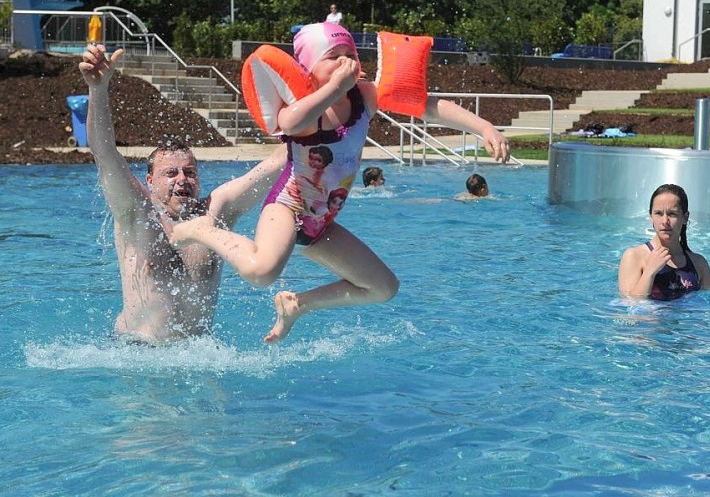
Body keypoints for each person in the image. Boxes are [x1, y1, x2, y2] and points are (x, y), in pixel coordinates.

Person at [171, 22, 511, 342]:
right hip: (288, 207)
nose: (345, 62)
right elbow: (288, 123)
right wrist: (333, 89)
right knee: (262, 272)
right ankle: (201, 229)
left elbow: (428, 105)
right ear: (308, 69)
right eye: (333, 57)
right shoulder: (308, 111)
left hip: (322, 221)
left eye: (350, 55)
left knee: (382, 287)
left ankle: (298, 305)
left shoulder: (365, 98)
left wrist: (483, 127)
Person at [79, 44, 285, 345]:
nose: (182, 180)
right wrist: (98, 90)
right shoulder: (136, 211)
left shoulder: (216, 212)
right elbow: (104, 153)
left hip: (198, 353)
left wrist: (330, 113)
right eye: (170, 173)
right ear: (150, 181)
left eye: (189, 172)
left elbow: (275, 166)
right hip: (136, 353)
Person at [618, 183, 710, 300]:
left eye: (672, 214)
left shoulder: (699, 263)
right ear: (651, 217)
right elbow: (628, 305)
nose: (664, 221)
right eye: (658, 213)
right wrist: (649, 272)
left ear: (685, 217)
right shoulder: (634, 256)